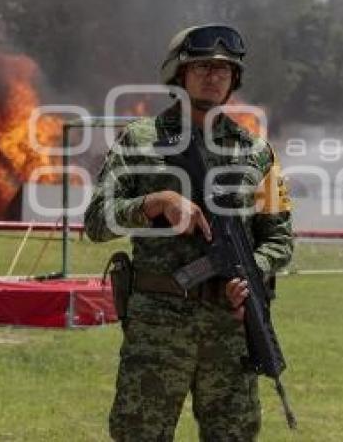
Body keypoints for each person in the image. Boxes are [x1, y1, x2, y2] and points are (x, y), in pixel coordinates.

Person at [85, 24, 294, 441]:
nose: (213, 75)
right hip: (158, 327)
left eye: (224, 68)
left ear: (234, 79)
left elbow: (281, 240)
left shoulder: (256, 152)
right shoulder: (140, 141)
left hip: (230, 329)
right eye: (201, 66)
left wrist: (250, 270)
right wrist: (154, 203)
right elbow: (97, 221)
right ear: (178, 74)